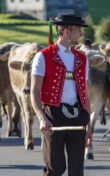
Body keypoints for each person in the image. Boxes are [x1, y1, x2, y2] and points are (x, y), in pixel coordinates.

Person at [30, 14, 92, 176]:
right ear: (65, 32)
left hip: (78, 116)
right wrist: (42, 118)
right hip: (53, 116)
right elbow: (34, 91)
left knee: (77, 171)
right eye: (77, 30)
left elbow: (85, 94)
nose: (81, 34)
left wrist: (89, 127)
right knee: (55, 169)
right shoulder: (43, 56)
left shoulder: (82, 59)